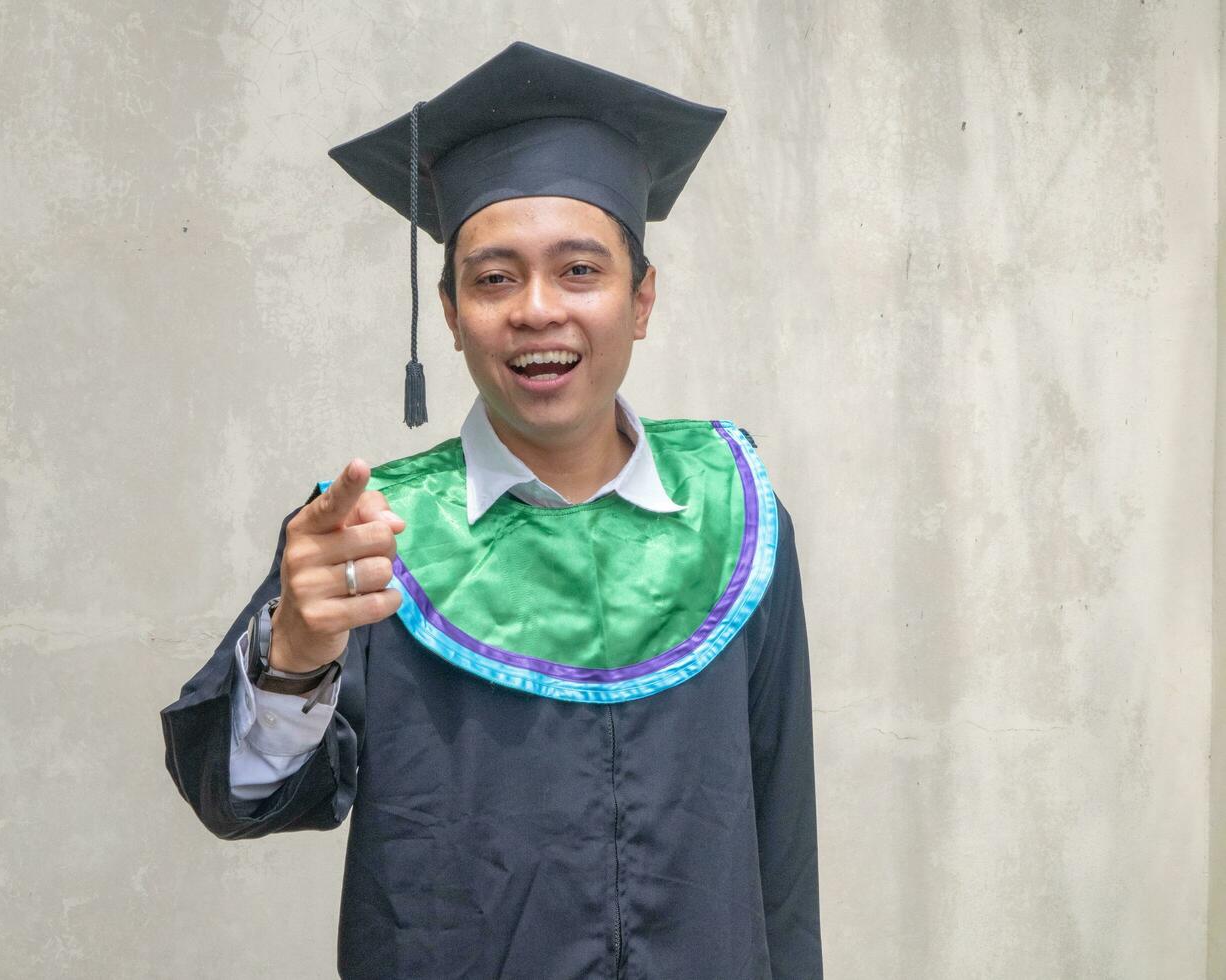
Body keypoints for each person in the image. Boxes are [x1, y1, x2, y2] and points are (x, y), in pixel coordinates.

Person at [160, 41, 823, 979]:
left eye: (581, 271)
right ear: (451, 310)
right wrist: (292, 657)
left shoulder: (737, 512)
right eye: (496, 277)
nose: (537, 310)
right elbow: (239, 797)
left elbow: (781, 845)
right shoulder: (371, 535)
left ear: (641, 301)